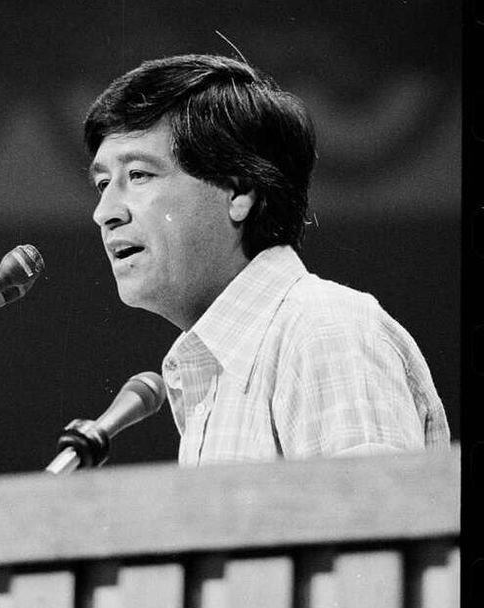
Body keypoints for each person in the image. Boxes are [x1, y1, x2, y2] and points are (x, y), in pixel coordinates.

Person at [83, 53, 450, 466]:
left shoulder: (324, 330)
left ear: (239, 192)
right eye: (102, 183)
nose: (105, 211)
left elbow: (368, 525)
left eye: (138, 176)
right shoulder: (219, 372)